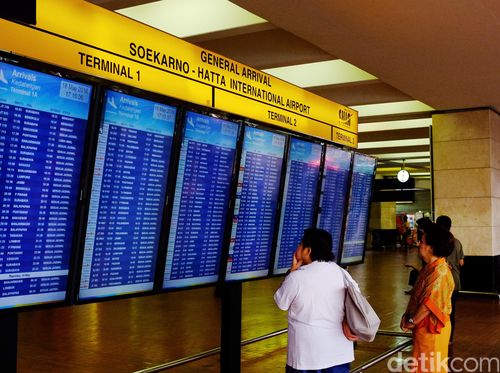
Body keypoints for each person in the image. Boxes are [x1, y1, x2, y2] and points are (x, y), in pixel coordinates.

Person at [274, 228, 358, 373]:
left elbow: (281, 303)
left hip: (306, 356)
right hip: (339, 353)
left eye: (300, 244)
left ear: (308, 250)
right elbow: (356, 302)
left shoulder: (297, 277)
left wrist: (291, 271)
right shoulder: (342, 273)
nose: (297, 247)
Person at [400, 223, 455, 372]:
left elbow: (428, 304)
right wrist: (408, 316)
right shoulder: (429, 268)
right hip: (423, 329)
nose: (419, 245)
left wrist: (412, 321)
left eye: (422, 242)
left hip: (432, 332)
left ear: (431, 247)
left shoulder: (440, 272)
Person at [436, 215, 464, 344]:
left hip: (441, 282)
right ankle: (449, 339)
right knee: (451, 312)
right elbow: (461, 262)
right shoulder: (457, 242)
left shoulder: (438, 243)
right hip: (455, 281)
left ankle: (439, 335)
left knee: (438, 310)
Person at [404, 217, 432, 294]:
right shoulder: (421, 233)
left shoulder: (430, 235)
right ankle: (415, 289)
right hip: (423, 259)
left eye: (420, 226)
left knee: (419, 273)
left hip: (427, 260)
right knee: (414, 273)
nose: (419, 228)